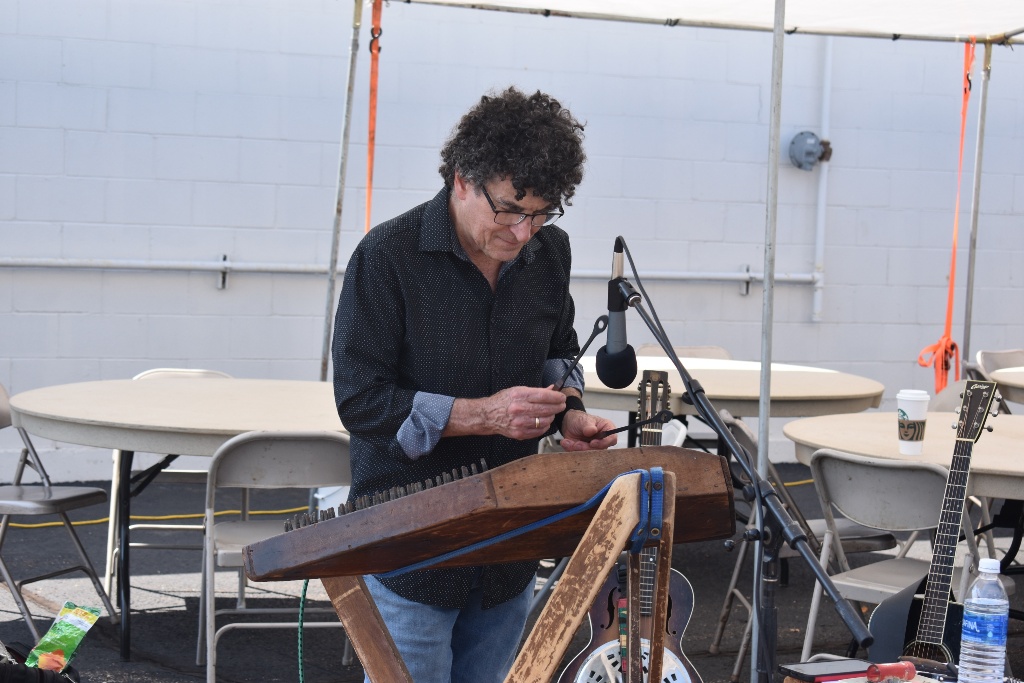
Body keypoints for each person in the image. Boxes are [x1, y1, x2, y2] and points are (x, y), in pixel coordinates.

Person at [332, 86, 618, 682]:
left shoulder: (550, 252)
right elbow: (361, 400)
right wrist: (484, 415)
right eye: (510, 210)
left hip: (510, 546)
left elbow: (558, 349)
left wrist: (570, 410)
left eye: (541, 214)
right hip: (410, 546)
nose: (523, 232)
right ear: (462, 179)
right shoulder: (388, 255)